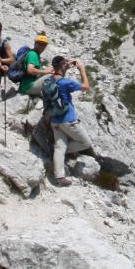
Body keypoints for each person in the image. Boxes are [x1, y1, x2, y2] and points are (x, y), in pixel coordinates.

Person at [41, 56, 93, 184]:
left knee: (60, 147)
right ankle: (60, 157)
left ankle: (60, 177)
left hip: (54, 120)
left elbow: (59, 70)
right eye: (66, 63)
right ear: (63, 66)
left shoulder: (49, 80)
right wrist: (82, 69)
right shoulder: (65, 82)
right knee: (86, 143)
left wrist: (67, 63)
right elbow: (86, 87)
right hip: (68, 120)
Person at [17, 30, 50, 113]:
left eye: (44, 45)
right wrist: (46, 72)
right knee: (51, 76)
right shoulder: (33, 54)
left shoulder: (34, 54)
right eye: (40, 44)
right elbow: (30, 70)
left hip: (27, 85)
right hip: (28, 86)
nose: (42, 46)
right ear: (35, 44)